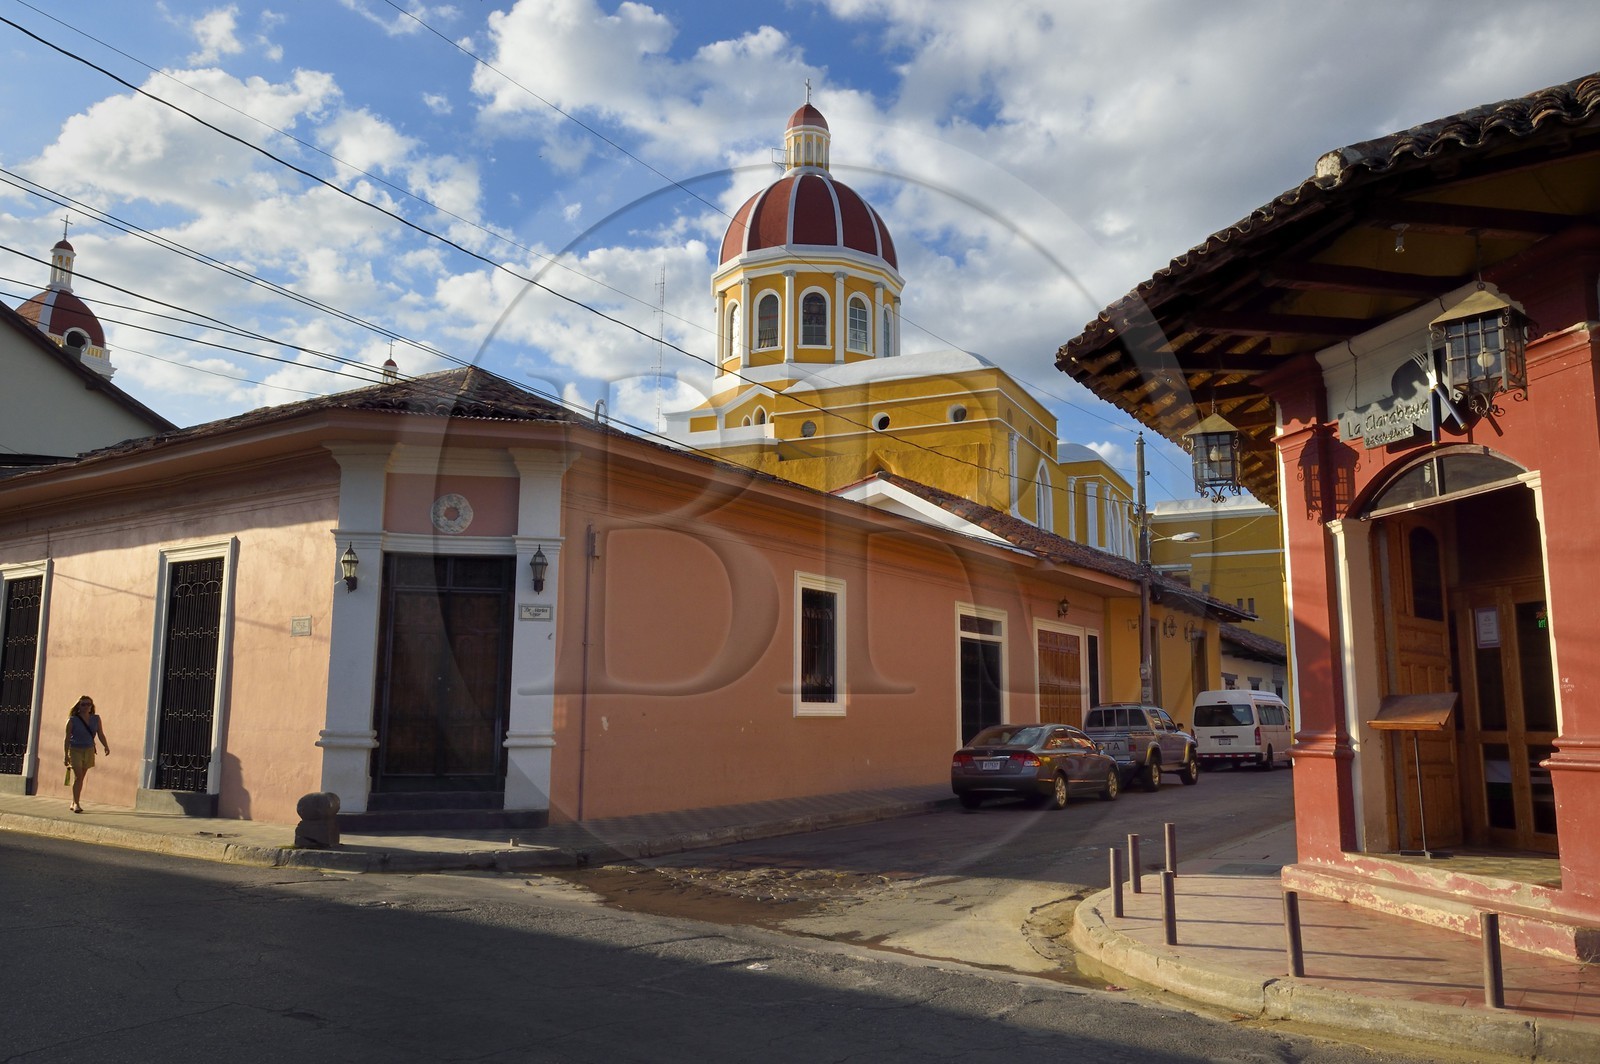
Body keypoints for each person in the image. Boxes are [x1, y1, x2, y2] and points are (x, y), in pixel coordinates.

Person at [64, 696, 110, 813]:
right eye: (83, 704)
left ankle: (74, 800)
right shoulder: (72, 720)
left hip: (89, 750)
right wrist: (66, 755)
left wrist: (105, 746)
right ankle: (76, 804)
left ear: (91, 706)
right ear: (78, 706)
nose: (86, 706)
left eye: (88, 704)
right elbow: (67, 738)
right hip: (75, 750)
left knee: (81, 777)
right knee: (78, 776)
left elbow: (100, 733)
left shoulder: (96, 719)